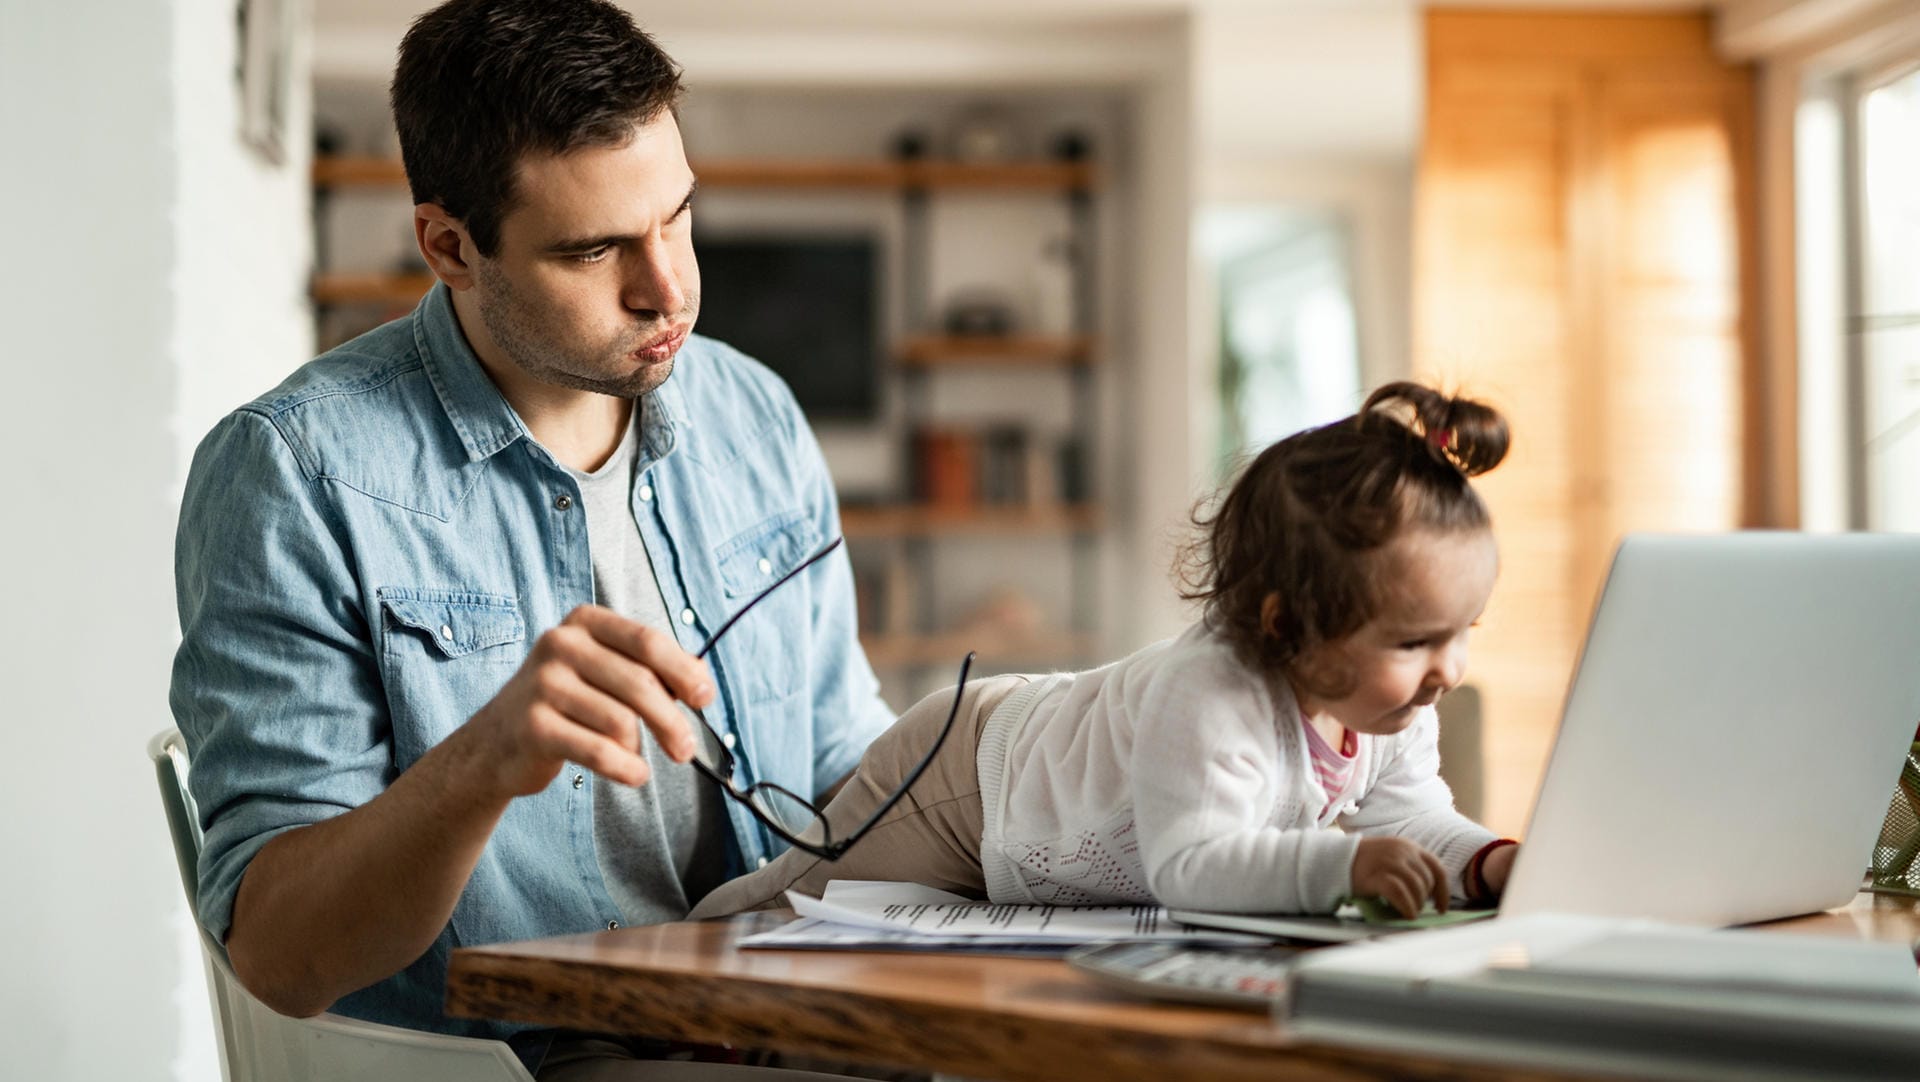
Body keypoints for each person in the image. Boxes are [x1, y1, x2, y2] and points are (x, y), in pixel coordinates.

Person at [169, 1, 893, 1076]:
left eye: (678, 216)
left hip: (782, 1021)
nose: (668, 288)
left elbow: (843, 765)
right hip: (524, 1058)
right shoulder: (295, 475)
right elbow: (280, 954)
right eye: (595, 249)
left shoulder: (757, 417)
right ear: (449, 245)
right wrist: (482, 764)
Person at [692, 382, 1521, 922]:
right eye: (1415, 642)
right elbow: (1193, 865)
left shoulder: (1390, 710)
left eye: (1463, 633)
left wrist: (1485, 862)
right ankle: (661, 980)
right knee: (793, 903)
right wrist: (1344, 865)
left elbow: (1412, 818)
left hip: (1028, 837)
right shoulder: (1214, 692)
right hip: (970, 780)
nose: (1447, 671)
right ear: (1286, 624)